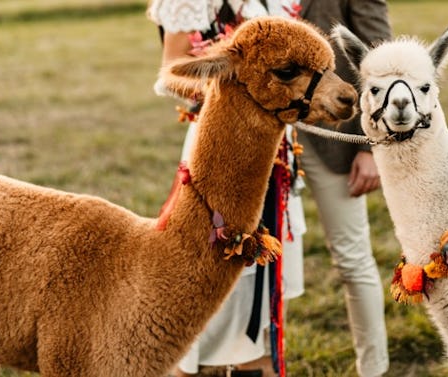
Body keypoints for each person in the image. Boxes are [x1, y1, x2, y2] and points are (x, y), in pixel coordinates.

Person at [147, 1, 306, 376]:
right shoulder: (186, 4)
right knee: (214, 258)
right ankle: (194, 361)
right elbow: (172, 74)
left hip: (273, 147)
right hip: (219, 144)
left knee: (265, 267)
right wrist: (237, 90)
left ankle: (258, 359)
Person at [295, 1, 392, 377]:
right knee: (256, 261)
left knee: (352, 257)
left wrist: (371, 147)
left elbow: (380, 59)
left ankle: (374, 368)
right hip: (264, 137)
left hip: (334, 136)